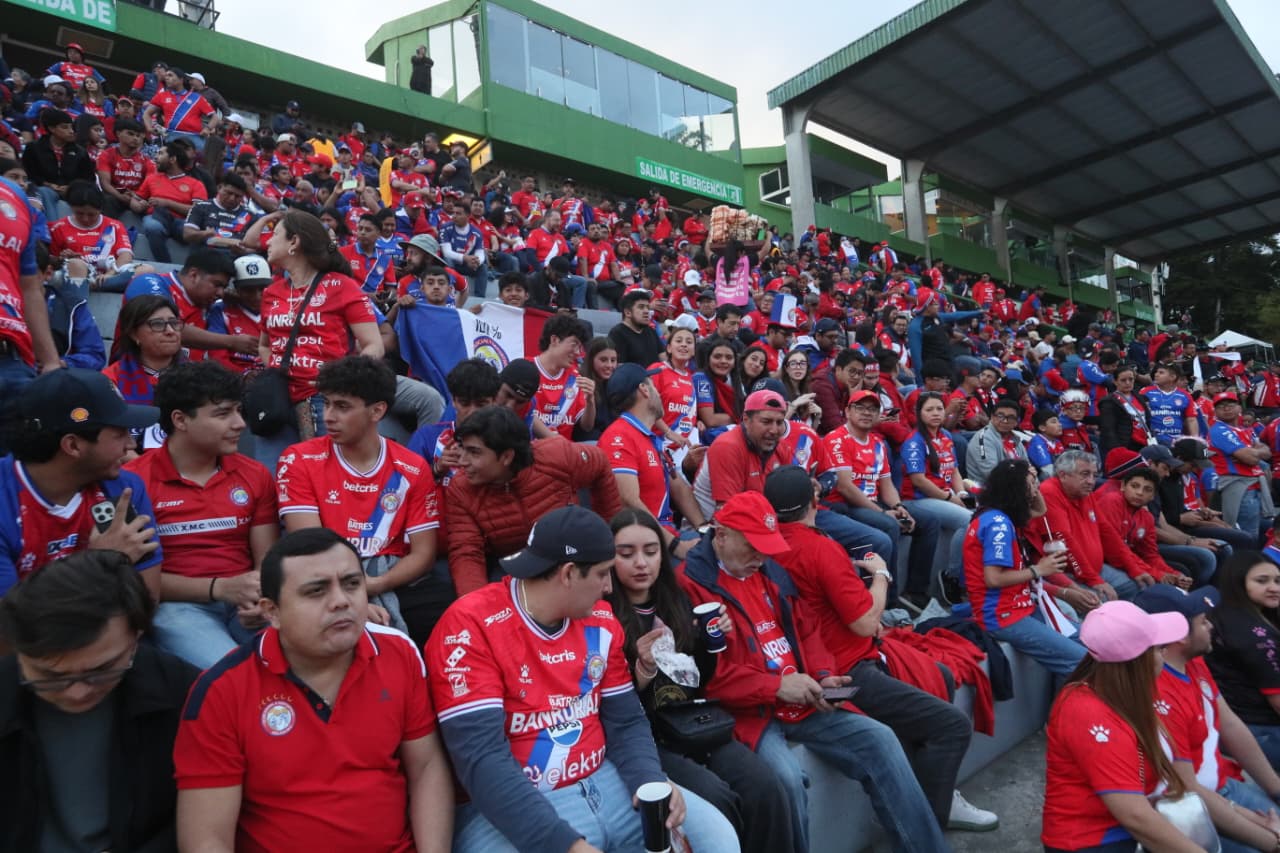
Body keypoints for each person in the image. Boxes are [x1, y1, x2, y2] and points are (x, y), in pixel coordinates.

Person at [427, 506, 739, 853]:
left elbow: (626, 720)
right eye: (604, 574)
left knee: (717, 839)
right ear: (569, 573)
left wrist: (648, 778)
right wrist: (566, 845)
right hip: (521, 801)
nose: (609, 588)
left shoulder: (601, 621)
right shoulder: (469, 627)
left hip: (609, 780)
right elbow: (483, 761)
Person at [678, 491, 951, 852]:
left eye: (766, 547)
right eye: (752, 546)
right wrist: (775, 687)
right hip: (748, 712)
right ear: (721, 534)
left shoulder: (770, 568)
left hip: (804, 694)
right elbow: (705, 676)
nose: (761, 557)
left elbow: (807, 629)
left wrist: (823, 674)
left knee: (880, 738)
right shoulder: (687, 585)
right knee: (787, 779)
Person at [174, 528, 454, 852]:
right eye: (316, 591)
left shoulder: (398, 654)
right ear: (271, 612)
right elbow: (207, 839)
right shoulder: (221, 692)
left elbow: (427, 768)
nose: (340, 601)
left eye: (351, 584)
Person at [764, 465, 998, 834]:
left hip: (819, 657)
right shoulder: (820, 549)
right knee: (951, 726)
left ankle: (934, 793)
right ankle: (927, 826)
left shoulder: (768, 543)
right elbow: (867, 624)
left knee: (939, 675)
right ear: (814, 500)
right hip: (845, 668)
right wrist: (881, 575)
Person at [606, 507, 799, 853]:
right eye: (626, 554)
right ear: (609, 560)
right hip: (649, 738)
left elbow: (699, 679)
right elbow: (613, 708)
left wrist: (711, 645)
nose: (641, 563)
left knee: (767, 787)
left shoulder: (675, 599)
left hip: (694, 720)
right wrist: (643, 669)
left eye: (651, 552)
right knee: (718, 798)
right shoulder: (602, 614)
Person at [0, 550, 198, 852]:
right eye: (49, 675)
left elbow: (202, 820)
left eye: (101, 670)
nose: (76, 692)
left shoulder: (185, 694)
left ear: (136, 637)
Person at [125, 362, 277, 669]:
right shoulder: (134, 482)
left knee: (307, 658)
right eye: (223, 414)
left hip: (247, 602)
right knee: (232, 675)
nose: (239, 424)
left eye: (238, 410)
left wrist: (263, 597)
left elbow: (267, 558)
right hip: (176, 607)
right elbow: (138, 582)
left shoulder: (254, 474)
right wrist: (220, 588)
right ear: (180, 420)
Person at [277, 357, 438, 634]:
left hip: (390, 578)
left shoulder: (412, 467)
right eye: (326, 403)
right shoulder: (299, 460)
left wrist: (375, 585)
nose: (328, 416)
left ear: (377, 411)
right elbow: (309, 546)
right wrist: (353, 593)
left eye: (342, 407)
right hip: (323, 575)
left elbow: (424, 554)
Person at [1041, 601, 1205, 853]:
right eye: (1160, 649)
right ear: (1138, 661)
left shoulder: (1121, 693)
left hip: (1127, 830)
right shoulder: (1086, 711)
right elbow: (1135, 816)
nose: (1164, 656)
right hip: (1093, 841)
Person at [1134, 584, 1280, 852]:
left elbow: (1229, 722)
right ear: (1179, 637)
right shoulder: (1160, 694)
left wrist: (1276, 788)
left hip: (1221, 788)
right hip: (1187, 809)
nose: (1211, 626)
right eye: (1202, 621)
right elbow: (1187, 791)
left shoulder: (1192, 661)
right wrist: (1271, 842)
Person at [0, 368, 163, 597]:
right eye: (119, 434)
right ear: (73, 446)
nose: (130, 445)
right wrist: (95, 565)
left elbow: (146, 600)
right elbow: (9, 627)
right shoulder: (6, 500)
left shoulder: (124, 488)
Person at [444, 405, 621, 596]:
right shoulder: (461, 489)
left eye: (474, 452)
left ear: (506, 457)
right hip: (513, 567)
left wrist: (608, 538)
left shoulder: (557, 457)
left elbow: (600, 463)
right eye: (463, 449)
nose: (462, 461)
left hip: (572, 556)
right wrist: (477, 608)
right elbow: (466, 554)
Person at [254, 209, 383, 467]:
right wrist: (277, 372)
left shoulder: (342, 286)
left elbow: (374, 345)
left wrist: (343, 380)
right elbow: (264, 345)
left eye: (275, 234)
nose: (267, 240)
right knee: (274, 479)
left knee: (326, 480)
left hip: (325, 401)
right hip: (278, 401)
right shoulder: (271, 292)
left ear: (294, 242)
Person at [964, 458, 1089, 676]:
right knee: (1082, 661)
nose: (1036, 487)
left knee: (1089, 641)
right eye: (1031, 483)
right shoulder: (998, 524)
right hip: (1002, 615)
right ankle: (1067, 709)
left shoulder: (1002, 515)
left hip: (1022, 607)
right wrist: (1038, 570)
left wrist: (1027, 479)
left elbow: (1040, 510)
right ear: (1016, 489)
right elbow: (993, 579)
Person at [820, 390, 941, 608]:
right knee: (889, 526)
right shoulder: (836, 439)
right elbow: (846, 488)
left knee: (929, 521)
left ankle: (916, 591)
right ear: (847, 411)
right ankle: (890, 601)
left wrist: (899, 507)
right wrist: (884, 513)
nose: (867, 413)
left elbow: (886, 486)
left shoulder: (877, 443)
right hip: (845, 506)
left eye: (872, 409)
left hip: (874, 502)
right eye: (860, 408)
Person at [598, 364, 706, 554]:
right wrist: (675, 546)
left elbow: (678, 486)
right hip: (645, 546)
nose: (659, 393)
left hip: (665, 535)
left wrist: (704, 529)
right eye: (654, 387)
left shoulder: (647, 437)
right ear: (644, 390)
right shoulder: (619, 436)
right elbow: (628, 501)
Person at [1030, 449, 1145, 602]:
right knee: (1098, 601)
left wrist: (1133, 568)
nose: (1091, 481)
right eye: (1085, 474)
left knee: (1133, 585)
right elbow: (1063, 541)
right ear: (1063, 475)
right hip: (1069, 573)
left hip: (1094, 569)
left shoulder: (1084, 492)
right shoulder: (1049, 492)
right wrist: (1093, 580)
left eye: (1094, 475)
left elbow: (1107, 532)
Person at [1207, 550, 1280, 767]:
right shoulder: (1254, 634)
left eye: (1277, 580)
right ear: (1238, 582)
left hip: (1238, 722)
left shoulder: (1228, 613)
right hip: (1256, 731)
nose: (1274, 587)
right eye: (1262, 581)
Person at [900, 391, 972, 589]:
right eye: (929, 409)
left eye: (939, 408)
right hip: (919, 499)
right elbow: (919, 481)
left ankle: (973, 578)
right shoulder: (914, 441)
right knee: (968, 521)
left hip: (945, 495)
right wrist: (950, 498)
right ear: (919, 413)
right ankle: (952, 577)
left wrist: (962, 494)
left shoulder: (946, 435)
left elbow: (955, 471)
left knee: (984, 513)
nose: (936, 413)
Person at [103, 296, 184, 427]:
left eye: (174, 323)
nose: (170, 331)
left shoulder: (198, 377)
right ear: (134, 334)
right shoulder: (111, 380)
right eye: (157, 324)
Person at [48, 180, 138, 295]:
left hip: (108, 274)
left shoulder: (114, 226)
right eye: (79, 213)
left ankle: (91, 286)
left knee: (145, 270)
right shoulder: (57, 228)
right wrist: (63, 259)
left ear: (100, 210)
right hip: (77, 273)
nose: (85, 219)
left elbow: (126, 256)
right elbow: (51, 263)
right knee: (72, 267)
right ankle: (93, 285)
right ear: (71, 207)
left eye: (91, 214)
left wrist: (110, 274)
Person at [1208, 391, 1270, 548]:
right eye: (1221, 407)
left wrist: (1255, 453)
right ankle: (1245, 569)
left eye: (1230, 405)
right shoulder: (1219, 430)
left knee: (1262, 531)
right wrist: (1254, 453)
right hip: (1239, 486)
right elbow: (1250, 458)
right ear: (1215, 411)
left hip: (1256, 485)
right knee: (1247, 537)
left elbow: (1266, 452)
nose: (1226, 409)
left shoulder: (1245, 430)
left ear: (1239, 407)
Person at [133, 139, 210, 263]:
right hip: (156, 217)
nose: (156, 157)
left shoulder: (196, 184)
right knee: (152, 226)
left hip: (182, 221)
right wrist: (138, 206)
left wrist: (167, 203)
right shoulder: (151, 178)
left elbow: (199, 211)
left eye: (161, 154)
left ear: (173, 159)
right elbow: (136, 200)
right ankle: (165, 265)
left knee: (197, 234)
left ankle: (195, 266)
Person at [530, 314, 595, 440]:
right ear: (555, 340)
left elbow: (587, 426)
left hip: (562, 456)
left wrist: (591, 401)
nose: (577, 353)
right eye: (574, 344)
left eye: (580, 347)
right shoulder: (526, 369)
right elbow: (520, 411)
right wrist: (556, 442)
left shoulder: (575, 377)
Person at [965, 397, 1028, 486]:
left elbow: (1028, 468)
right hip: (988, 491)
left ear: (1016, 422)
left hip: (1016, 487)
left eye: (1010, 417)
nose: (1005, 421)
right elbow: (992, 474)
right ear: (992, 417)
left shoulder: (1015, 439)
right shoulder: (984, 438)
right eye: (1000, 416)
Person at [1099, 364, 1155, 455]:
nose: (1128, 383)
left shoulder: (1141, 398)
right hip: (1126, 445)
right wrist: (1118, 450)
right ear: (1115, 381)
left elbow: (1147, 420)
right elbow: (1108, 429)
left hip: (1144, 443)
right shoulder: (1109, 402)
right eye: (1123, 380)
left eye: (1131, 379)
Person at [1140, 362, 1198, 445]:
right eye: (1156, 372)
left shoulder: (1185, 395)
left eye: (1161, 372)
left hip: (1177, 441)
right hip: (1152, 440)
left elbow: (1191, 419)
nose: (1156, 374)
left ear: (1172, 377)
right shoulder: (1145, 391)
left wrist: (1195, 440)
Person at [608, 290, 662, 367]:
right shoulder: (617, 334)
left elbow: (664, 358)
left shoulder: (651, 331)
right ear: (628, 313)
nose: (647, 311)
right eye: (641, 307)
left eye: (647, 307)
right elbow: (619, 368)